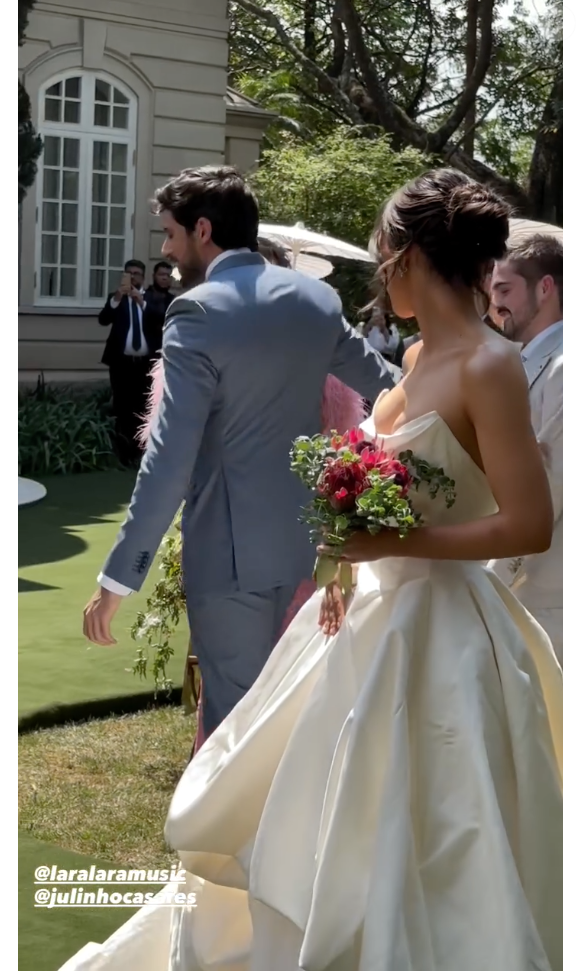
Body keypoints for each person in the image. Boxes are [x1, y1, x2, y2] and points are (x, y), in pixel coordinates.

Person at [68, 169, 562, 971]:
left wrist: (390, 545)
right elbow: (388, 485)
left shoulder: (489, 364)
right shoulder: (413, 356)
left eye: (380, 255)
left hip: (444, 634)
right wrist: (344, 554)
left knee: (435, 822)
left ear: (404, 255)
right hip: (359, 618)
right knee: (312, 808)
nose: (377, 275)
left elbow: (529, 524)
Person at [84, 165, 397, 741]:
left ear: (203, 230)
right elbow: (391, 388)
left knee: (234, 728)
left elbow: (169, 459)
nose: (165, 248)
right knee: (298, 717)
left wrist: (118, 578)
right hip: (311, 548)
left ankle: (228, 835)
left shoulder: (196, 311)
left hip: (229, 562)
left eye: (170, 234)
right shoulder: (317, 299)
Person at [137, 235, 367, 755]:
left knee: (253, 678)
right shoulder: (318, 351)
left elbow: (169, 443)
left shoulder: (210, 334)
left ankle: (232, 794)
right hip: (301, 534)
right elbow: (345, 447)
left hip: (251, 534)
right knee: (283, 674)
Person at [488, 234, 563, 663]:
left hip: (545, 586)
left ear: (545, 288)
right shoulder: (518, 362)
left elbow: (552, 483)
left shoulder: (564, 367)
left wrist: (491, 576)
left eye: (504, 290)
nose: (495, 304)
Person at [98, 259, 162, 465]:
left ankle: (141, 452)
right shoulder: (116, 299)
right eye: (129, 273)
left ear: (143, 277)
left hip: (145, 363)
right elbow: (103, 319)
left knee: (143, 407)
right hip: (121, 363)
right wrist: (118, 297)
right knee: (122, 406)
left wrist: (140, 301)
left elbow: (161, 319)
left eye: (136, 273)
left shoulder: (152, 298)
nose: (133, 277)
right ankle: (123, 453)